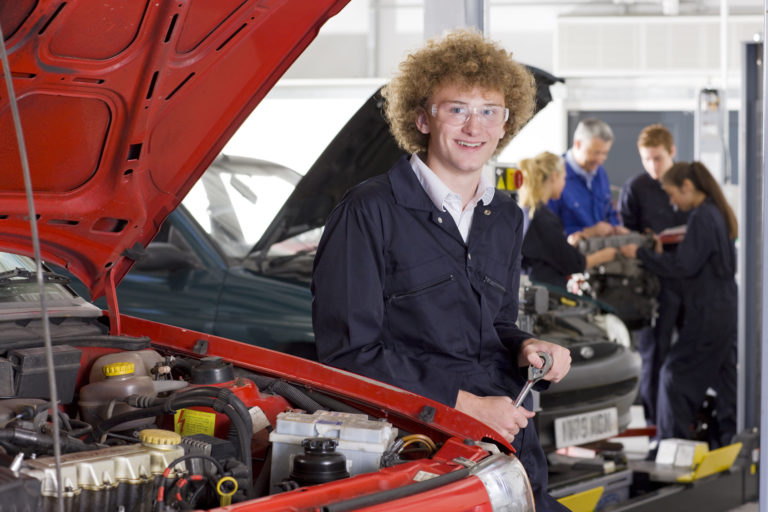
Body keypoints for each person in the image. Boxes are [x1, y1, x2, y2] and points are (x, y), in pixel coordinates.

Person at [311, 29, 571, 511]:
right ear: (422, 117)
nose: (475, 126)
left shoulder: (506, 216)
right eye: (457, 109)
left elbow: (495, 324)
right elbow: (347, 354)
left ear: (505, 122)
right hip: (419, 456)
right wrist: (467, 405)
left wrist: (526, 346)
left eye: (489, 111)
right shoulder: (369, 210)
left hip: (507, 448)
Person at [620, 161, 737, 448]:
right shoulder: (716, 213)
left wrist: (642, 255)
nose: (672, 203)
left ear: (688, 187)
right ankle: (727, 441)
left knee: (672, 377)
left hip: (707, 314)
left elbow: (684, 266)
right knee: (725, 380)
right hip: (724, 312)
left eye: (673, 194)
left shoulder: (702, 217)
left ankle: (673, 449)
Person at [618, 124, 689, 426]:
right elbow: (626, 235)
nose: (652, 166)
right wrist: (642, 238)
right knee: (653, 355)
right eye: (646, 159)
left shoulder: (689, 184)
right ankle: (653, 424)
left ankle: (683, 419)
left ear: (672, 152)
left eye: (658, 158)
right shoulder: (635, 188)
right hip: (650, 285)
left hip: (688, 283)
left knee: (689, 352)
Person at [519, 151, 618, 289]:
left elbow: (550, 253)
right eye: (564, 178)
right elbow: (574, 264)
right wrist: (607, 255)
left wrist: (573, 241)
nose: (564, 183)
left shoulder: (526, 213)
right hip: (545, 294)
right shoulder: (543, 219)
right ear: (554, 177)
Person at [548, 118, 628, 237]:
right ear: (578, 144)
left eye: (605, 153)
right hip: (570, 252)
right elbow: (547, 232)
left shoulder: (600, 173)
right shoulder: (554, 177)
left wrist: (615, 227)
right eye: (596, 153)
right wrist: (588, 233)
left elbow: (608, 211)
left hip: (602, 249)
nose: (600, 159)